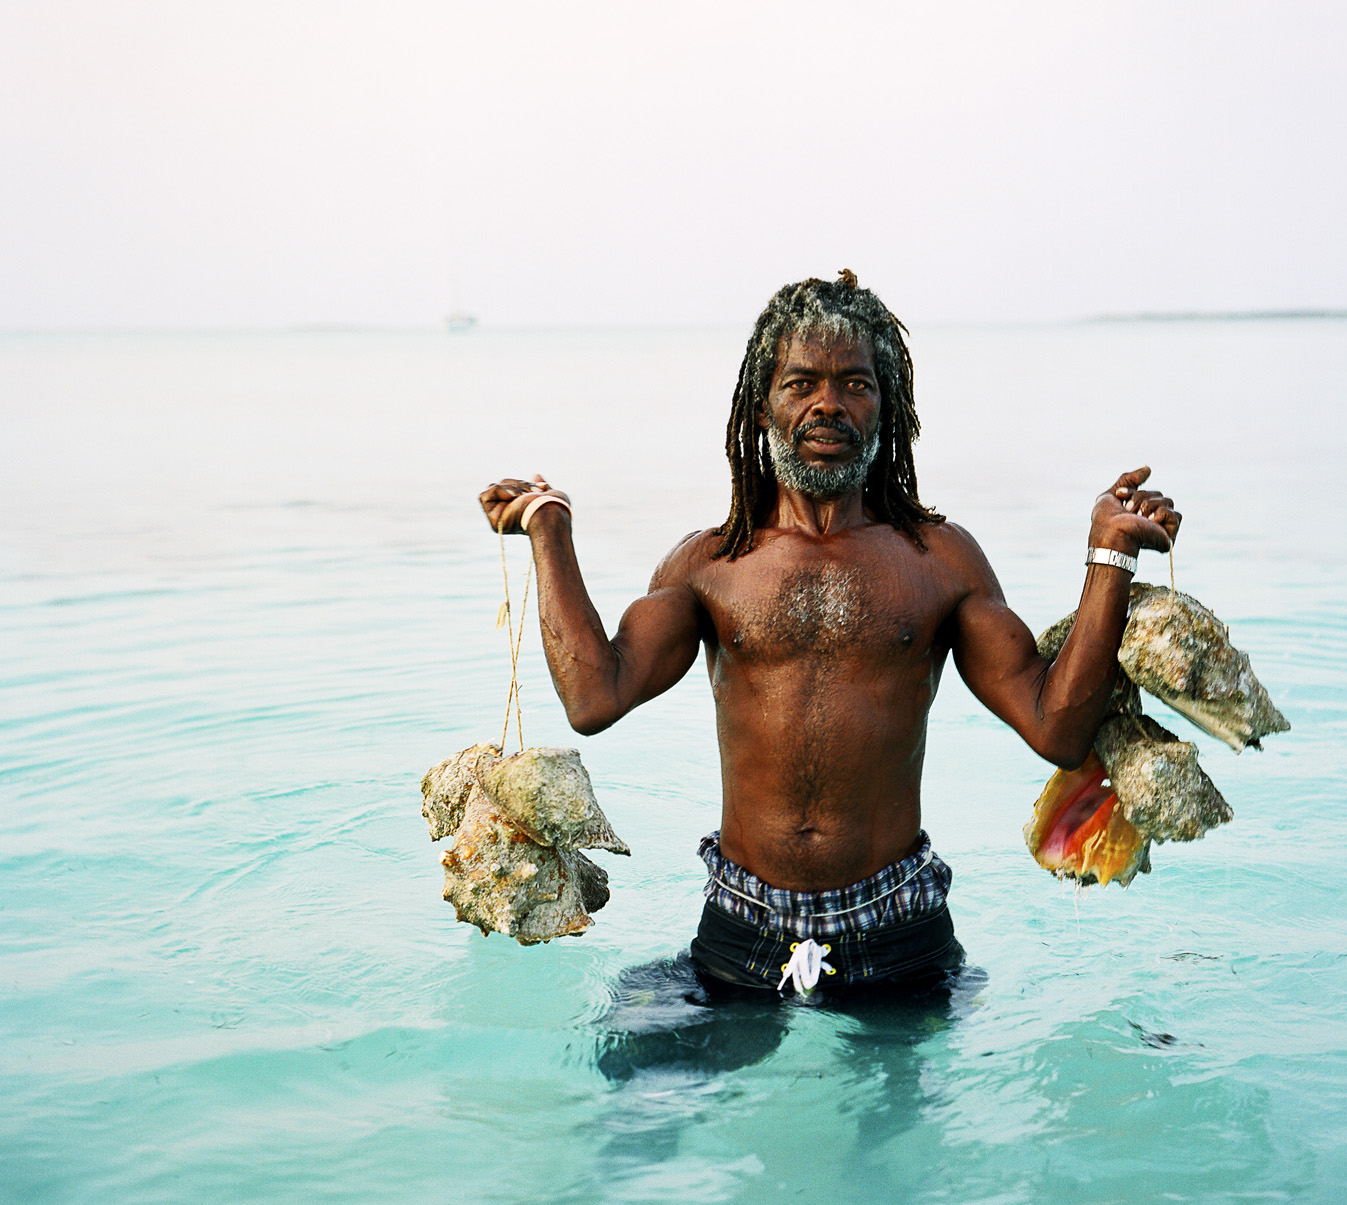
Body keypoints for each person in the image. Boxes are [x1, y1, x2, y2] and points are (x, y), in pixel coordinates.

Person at [479, 272, 1180, 995]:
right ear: (762, 408)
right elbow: (595, 697)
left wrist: (1109, 554)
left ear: (889, 408)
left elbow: (1056, 729)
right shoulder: (711, 566)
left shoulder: (939, 562)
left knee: (895, 1114)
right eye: (801, 383)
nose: (828, 404)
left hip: (899, 932)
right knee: (633, 1105)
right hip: (741, 929)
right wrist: (549, 527)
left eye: (854, 384)